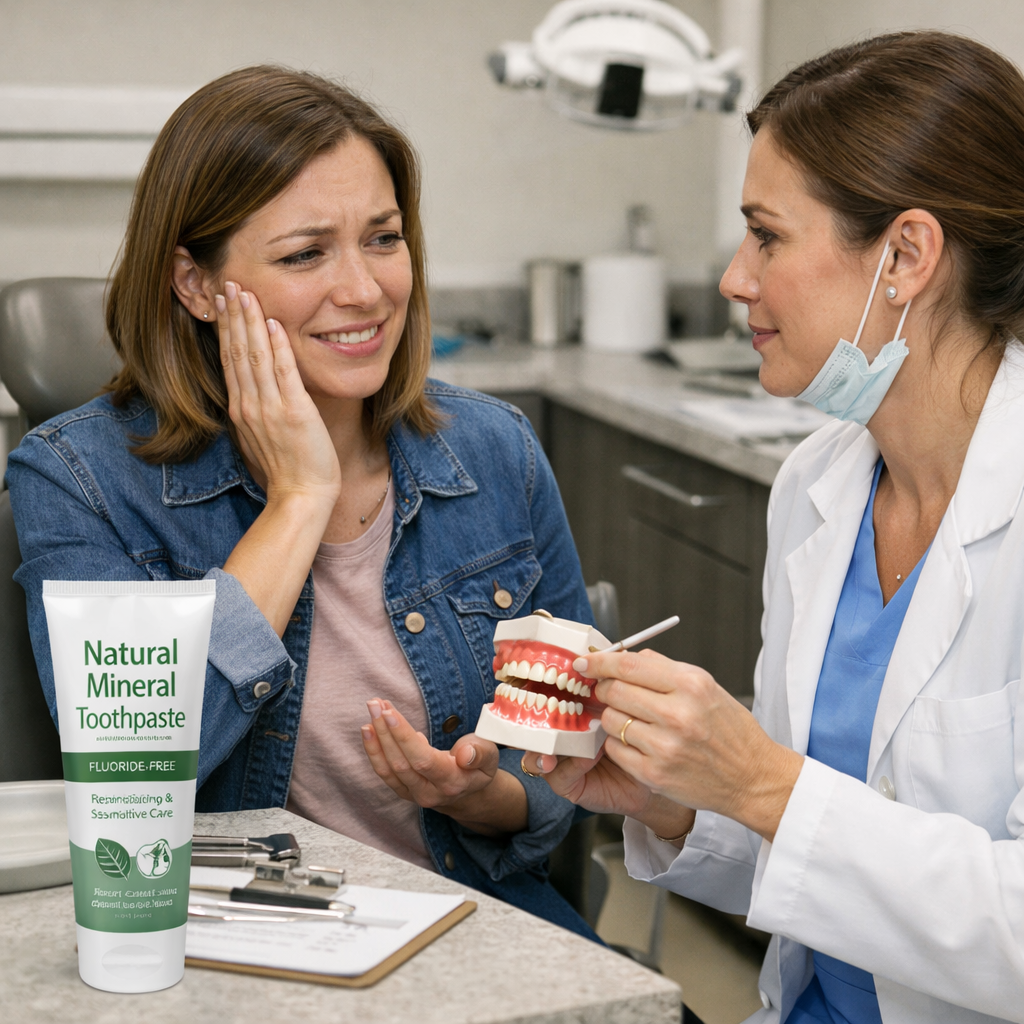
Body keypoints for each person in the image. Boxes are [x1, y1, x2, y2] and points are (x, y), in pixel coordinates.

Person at [7, 66, 597, 938]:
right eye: (304, 253)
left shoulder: (493, 449)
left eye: (384, 238)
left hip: (477, 919)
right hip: (226, 941)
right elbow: (136, 777)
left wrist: (493, 798)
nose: (364, 290)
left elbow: (572, 756)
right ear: (197, 284)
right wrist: (299, 498)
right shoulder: (76, 480)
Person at [529, 31, 1024, 1020]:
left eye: (766, 235)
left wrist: (760, 781)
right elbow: (806, 864)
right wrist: (674, 796)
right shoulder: (817, 484)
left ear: (907, 255)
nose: (732, 279)